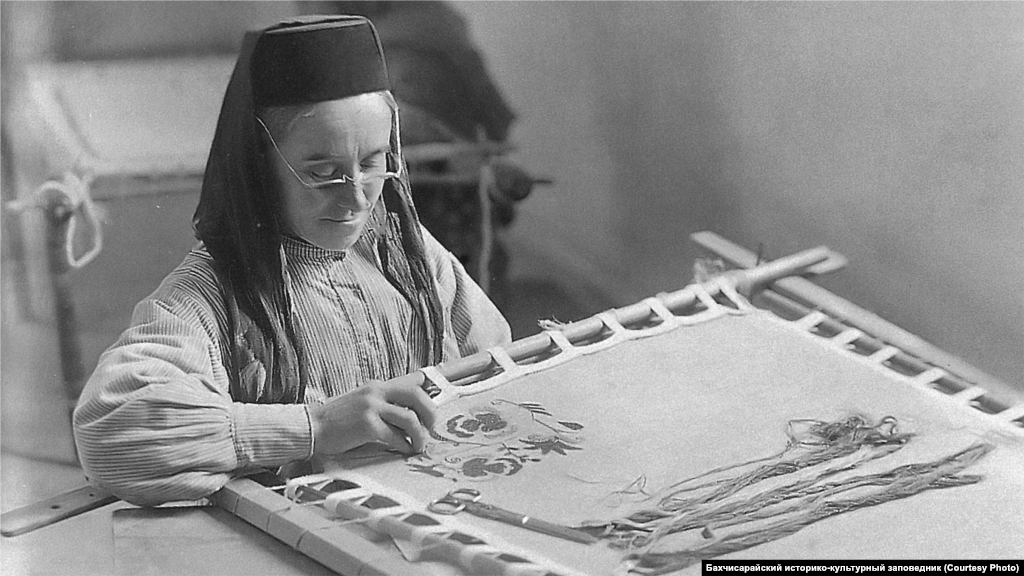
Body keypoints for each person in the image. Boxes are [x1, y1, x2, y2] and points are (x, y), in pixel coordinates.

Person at [72, 15, 511, 507]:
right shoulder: (212, 296)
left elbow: (495, 365)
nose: (357, 201)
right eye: (323, 172)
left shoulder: (406, 253)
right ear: (261, 165)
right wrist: (318, 426)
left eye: (372, 163)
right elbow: (111, 433)